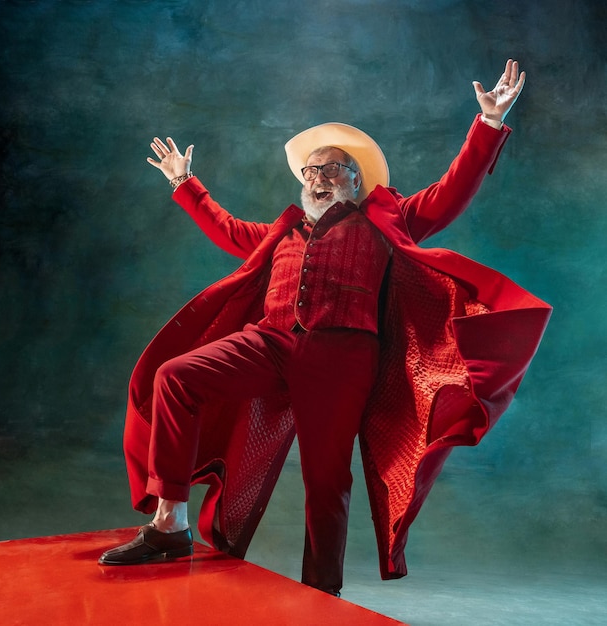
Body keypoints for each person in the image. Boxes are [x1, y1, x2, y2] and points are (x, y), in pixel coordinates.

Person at [99, 60, 551, 596]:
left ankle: (321, 594)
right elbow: (225, 228)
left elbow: (452, 191)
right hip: (268, 343)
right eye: (310, 171)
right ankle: (169, 525)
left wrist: (488, 124)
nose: (317, 177)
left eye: (331, 169)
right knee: (175, 376)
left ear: (357, 179)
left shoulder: (388, 219)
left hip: (342, 358)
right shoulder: (282, 231)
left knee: (325, 478)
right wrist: (183, 182)